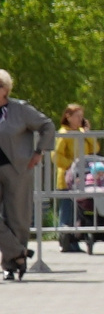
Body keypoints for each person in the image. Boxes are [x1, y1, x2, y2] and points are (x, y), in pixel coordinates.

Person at [0, 71, 58, 279]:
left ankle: (12, 265)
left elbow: (47, 125)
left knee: (17, 216)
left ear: (5, 89)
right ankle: (18, 253)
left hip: (17, 167)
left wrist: (39, 151)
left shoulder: (20, 109)